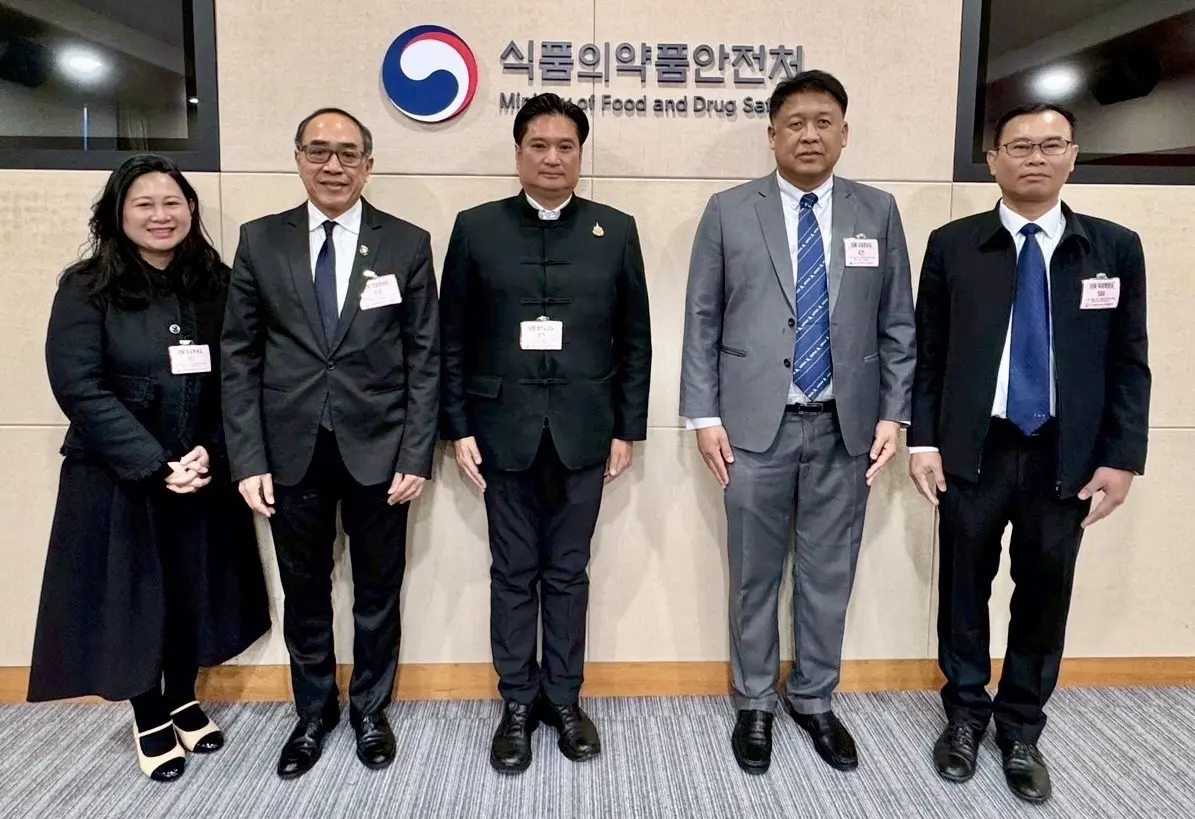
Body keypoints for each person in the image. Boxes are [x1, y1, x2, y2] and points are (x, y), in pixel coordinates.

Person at [908, 102, 1150, 804]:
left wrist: (1122, 456)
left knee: (1044, 593)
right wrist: (923, 438)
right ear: (993, 161)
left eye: (1051, 145)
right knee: (963, 588)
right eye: (1019, 146)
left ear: (1072, 155)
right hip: (973, 446)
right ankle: (963, 716)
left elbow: (1129, 359)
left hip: (1065, 453)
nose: (1034, 158)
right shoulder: (953, 244)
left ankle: (1020, 728)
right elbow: (929, 353)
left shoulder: (1113, 247)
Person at [679, 70, 915, 775]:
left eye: (823, 122)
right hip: (753, 428)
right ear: (772, 133)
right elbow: (701, 318)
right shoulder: (729, 210)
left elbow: (897, 322)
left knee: (827, 573)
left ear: (844, 132)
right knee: (753, 573)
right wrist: (704, 415)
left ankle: (813, 697)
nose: (809, 135)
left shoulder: (876, 211)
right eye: (795, 123)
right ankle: (754, 701)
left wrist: (894, 413)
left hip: (846, 427)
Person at [27, 154, 271, 782]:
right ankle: (149, 711)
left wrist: (212, 450)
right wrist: (153, 463)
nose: (161, 216)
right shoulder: (86, 286)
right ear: (118, 213)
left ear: (190, 209)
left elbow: (242, 377)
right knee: (134, 597)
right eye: (144, 204)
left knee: (194, 591)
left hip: (201, 471)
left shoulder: (216, 283)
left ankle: (184, 696)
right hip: (119, 475)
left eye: (172, 203)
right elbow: (78, 385)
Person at [220, 107, 440, 779]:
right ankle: (313, 714)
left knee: (378, 591)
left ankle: (370, 711)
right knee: (305, 591)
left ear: (368, 165)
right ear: (298, 159)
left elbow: (425, 357)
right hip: (290, 451)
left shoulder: (406, 243)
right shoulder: (261, 240)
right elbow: (238, 356)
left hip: (381, 450)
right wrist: (248, 457)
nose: (333, 165)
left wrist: (416, 453)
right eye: (318, 151)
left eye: (348, 154)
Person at [440, 93, 652, 775]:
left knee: (567, 573)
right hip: (499, 430)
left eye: (565, 146)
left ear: (580, 155)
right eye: (539, 145)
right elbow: (451, 337)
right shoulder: (476, 228)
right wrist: (457, 426)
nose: (552, 157)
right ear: (518, 152)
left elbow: (635, 338)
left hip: (586, 430)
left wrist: (628, 427)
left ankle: (562, 699)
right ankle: (516, 703)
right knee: (511, 572)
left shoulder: (615, 230)